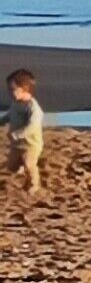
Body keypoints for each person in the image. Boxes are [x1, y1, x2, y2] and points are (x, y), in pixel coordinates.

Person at [5, 70, 41, 199]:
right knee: (11, 166)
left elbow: (32, 126)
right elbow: (10, 116)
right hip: (16, 144)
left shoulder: (33, 107)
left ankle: (33, 185)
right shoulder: (15, 104)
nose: (10, 92)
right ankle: (19, 168)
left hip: (30, 144)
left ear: (25, 89)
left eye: (13, 89)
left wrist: (18, 134)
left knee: (29, 164)